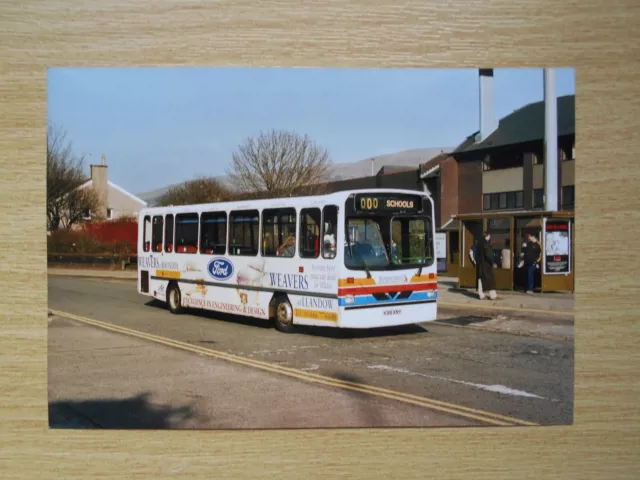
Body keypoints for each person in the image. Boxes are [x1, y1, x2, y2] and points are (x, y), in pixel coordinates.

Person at [478, 231, 497, 300]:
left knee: (481, 279)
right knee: (490, 280)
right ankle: (492, 295)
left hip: (481, 264)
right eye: (489, 236)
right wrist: (492, 262)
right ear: (487, 236)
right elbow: (488, 255)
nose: (490, 237)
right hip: (486, 265)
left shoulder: (479, 243)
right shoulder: (486, 244)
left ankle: (481, 294)